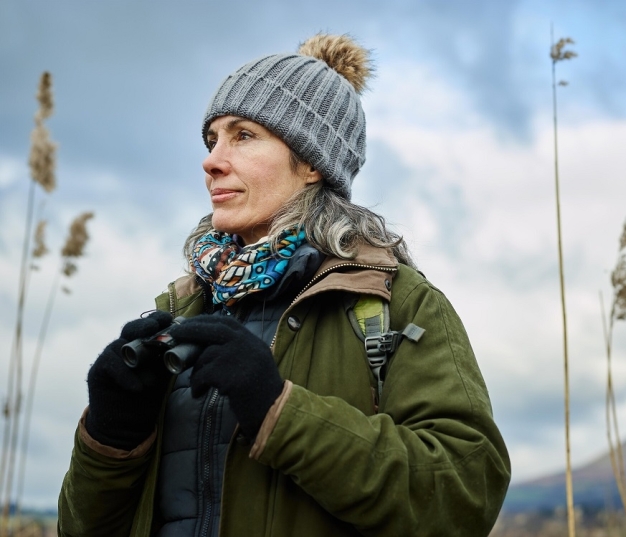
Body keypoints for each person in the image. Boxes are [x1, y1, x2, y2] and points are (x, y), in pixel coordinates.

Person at [58, 33, 510, 537]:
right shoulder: (183, 312)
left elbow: (466, 494)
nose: (211, 161)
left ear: (312, 162)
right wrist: (109, 438)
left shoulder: (396, 304)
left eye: (243, 135)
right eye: (212, 140)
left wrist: (280, 410)